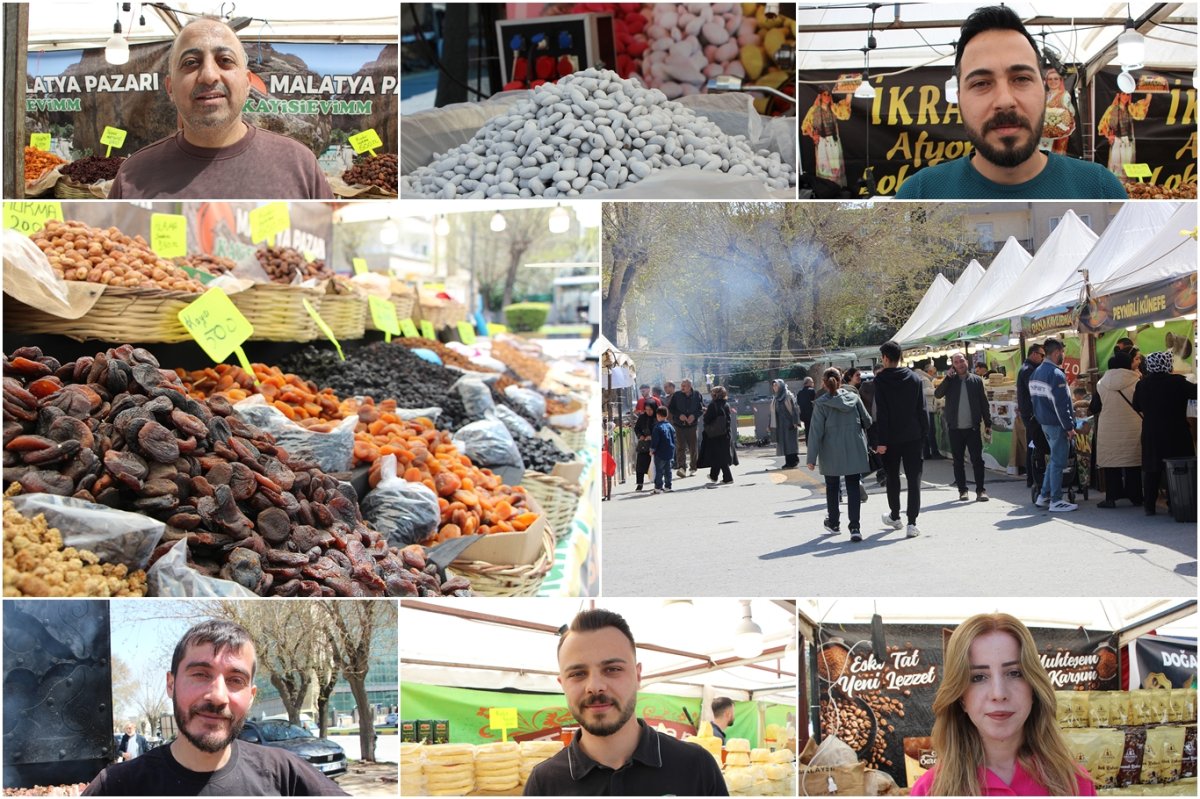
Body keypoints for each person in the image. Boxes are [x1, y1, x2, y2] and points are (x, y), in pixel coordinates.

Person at [83, 620, 346, 796]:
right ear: (171, 684)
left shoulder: (285, 775)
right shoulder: (118, 787)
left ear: (251, 695)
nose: (218, 696)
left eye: (235, 680)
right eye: (200, 674)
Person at [894, 6, 1127, 200]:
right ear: (959, 100)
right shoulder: (918, 195)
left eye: (1021, 79)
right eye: (981, 83)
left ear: (1045, 91)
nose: (1005, 101)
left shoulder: (1100, 189)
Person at [109, 17, 333, 200]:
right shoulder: (133, 176)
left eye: (225, 60)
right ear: (170, 88)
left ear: (247, 83)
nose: (208, 75)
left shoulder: (300, 165)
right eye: (190, 62)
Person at [524, 609, 728, 796]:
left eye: (612, 669)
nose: (595, 686)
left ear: (638, 676)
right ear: (562, 685)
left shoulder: (696, 766)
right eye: (578, 674)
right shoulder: (544, 783)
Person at [909, 613, 1096, 796]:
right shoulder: (929, 791)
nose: (998, 694)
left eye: (1014, 673)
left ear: (1034, 687)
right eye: (978, 677)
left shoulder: (1076, 784)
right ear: (960, 697)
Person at [808, 368, 873, 541]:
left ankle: (834, 523)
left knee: (832, 486)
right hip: (854, 447)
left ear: (823, 382)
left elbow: (816, 432)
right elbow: (868, 420)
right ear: (841, 380)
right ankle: (855, 528)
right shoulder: (854, 397)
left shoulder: (821, 404)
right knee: (853, 486)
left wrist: (811, 458)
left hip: (830, 450)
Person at [871, 341, 927, 538]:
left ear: (886, 358)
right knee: (914, 480)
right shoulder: (914, 378)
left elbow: (882, 414)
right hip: (913, 436)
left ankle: (895, 516)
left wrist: (881, 441)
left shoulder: (880, 381)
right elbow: (922, 410)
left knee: (893, 478)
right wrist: (924, 435)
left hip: (891, 439)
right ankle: (912, 522)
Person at [1133, 351, 1197, 516]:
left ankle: (1149, 506)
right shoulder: (1178, 382)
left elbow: (1136, 406)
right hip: (1176, 432)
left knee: (1152, 469)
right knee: (1177, 468)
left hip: (1151, 432)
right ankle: (1175, 503)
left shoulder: (1142, 384)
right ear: (1168, 364)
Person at [935, 352, 993, 502]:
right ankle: (962, 490)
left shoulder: (976, 381)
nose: (960, 364)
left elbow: (983, 403)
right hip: (955, 428)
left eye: (961, 361)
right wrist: (947, 378)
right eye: (956, 362)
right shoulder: (950, 381)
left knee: (977, 460)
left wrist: (988, 422)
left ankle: (981, 490)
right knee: (958, 461)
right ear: (953, 365)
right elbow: (938, 394)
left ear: (966, 362)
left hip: (972, 427)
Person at [1091, 352, 1144, 509]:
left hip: (1109, 428)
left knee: (1111, 463)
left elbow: (1094, 407)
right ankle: (1135, 497)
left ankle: (1111, 498)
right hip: (1132, 426)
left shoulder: (1101, 384)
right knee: (1132, 462)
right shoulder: (1136, 381)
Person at [1029, 338, 1077, 512]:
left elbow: (1035, 401)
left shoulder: (1036, 373)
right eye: (1062, 353)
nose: (1063, 356)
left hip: (1045, 423)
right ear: (1057, 352)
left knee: (1053, 461)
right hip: (1056, 424)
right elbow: (1061, 405)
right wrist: (1069, 427)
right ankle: (1056, 500)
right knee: (1058, 462)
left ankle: (1044, 496)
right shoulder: (1056, 374)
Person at [801, 87, 851, 188]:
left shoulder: (834, 108)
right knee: (825, 168)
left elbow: (845, 109)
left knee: (836, 167)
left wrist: (849, 91)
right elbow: (805, 125)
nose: (827, 97)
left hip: (834, 142)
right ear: (820, 96)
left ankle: (838, 188)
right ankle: (826, 188)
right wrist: (813, 135)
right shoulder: (814, 110)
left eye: (829, 95)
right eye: (824, 94)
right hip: (822, 143)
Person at [1098, 92, 1152, 176]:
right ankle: (1114, 187)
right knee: (1115, 167)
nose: (1125, 97)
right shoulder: (1112, 109)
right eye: (1123, 94)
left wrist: (1149, 92)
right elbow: (1103, 124)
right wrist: (1108, 136)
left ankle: (1127, 187)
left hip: (1128, 141)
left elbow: (1144, 104)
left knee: (1127, 167)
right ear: (1119, 95)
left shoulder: (1131, 108)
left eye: (1128, 95)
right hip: (1116, 141)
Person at [1016, 343, 1046, 485]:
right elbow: (1035, 391)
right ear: (1034, 354)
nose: (1043, 358)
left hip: (1029, 411)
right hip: (1032, 413)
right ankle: (1033, 477)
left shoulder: (1028, 368)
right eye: (1042, 355)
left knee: (1032, 443)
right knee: (1034, 443)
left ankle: (1032, 477)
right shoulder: (1028, 370)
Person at [698, 385, 738, 487]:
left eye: (713, 393)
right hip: (725, 434)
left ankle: (728, 477)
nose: (712, 395)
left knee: (719, 456)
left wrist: (706, 413)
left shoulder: (713, 405)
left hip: (714, 434)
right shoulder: (726, 404)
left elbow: (707, 419)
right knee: (719, 455)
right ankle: (714, 475)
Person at [669, 379, 704, 477]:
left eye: (684, 386)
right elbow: (671, 408)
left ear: (690, 386)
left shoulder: (697, 395)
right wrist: (679, 415)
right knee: (680, 447)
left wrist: (694, 415)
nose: (682, 387)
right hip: (679, 425)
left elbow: (701, 408)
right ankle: (682, 468)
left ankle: (693, 467)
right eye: (681, 385)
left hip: (692, 426)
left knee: (693, 447)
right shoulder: (677, 395)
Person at [1040, 66, 1076, 154]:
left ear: (1060, 81)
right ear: (1046, 81)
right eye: (1050, 79)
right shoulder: (1044, 95)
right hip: (1043, 133)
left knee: (1054, 157)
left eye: (1056, 79)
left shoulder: (1064, 95)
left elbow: (1071, 113)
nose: (1053, 82)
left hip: (1058, 133)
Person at [768, 378, 800, 469]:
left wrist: (795, 422)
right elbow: (772, 412)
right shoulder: (775, 398)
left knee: (791, 443)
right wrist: (769, 425)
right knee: (784, 443)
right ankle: (788, 462)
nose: (774, 387)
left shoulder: (788, 395)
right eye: (773, 386)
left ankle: (794, 461)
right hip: (780, 425)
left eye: (776, 385)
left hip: (790, 424)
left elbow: (795, 409)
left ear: (781, 386)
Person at [632, 399, 659, 492]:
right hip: (643, 445)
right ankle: (640, 484)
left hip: (655, 445)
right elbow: (637, 428)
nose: (648, 412)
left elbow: (661, 429)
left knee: (655, 465)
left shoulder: (658, 417)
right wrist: (640, 436)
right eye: (646, 409)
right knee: (640, 465)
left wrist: (652, 437)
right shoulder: (642, 417)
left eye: (650, 410)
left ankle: (658, 483)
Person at [918, 362, 942, 459]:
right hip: (928, 408)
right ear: (930, 372)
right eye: (934, 372)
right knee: (931, 432)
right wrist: (936, 391)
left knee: (927, 432)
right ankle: (934, 453)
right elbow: (925, 391)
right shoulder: (925, 379)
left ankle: (927, 453)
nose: (935, 374)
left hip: (925, 408)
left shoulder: (922, 378)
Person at [650, 406, 676, 495]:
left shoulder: (657, 427)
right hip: (669, 452)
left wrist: (652, 449)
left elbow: (655, 441)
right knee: (668, 470)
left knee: (659, 470)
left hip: (660, 453)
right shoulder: (670, 426)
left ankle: (658, 487)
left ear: (658, 415)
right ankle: (668, 486)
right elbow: (674, 438)